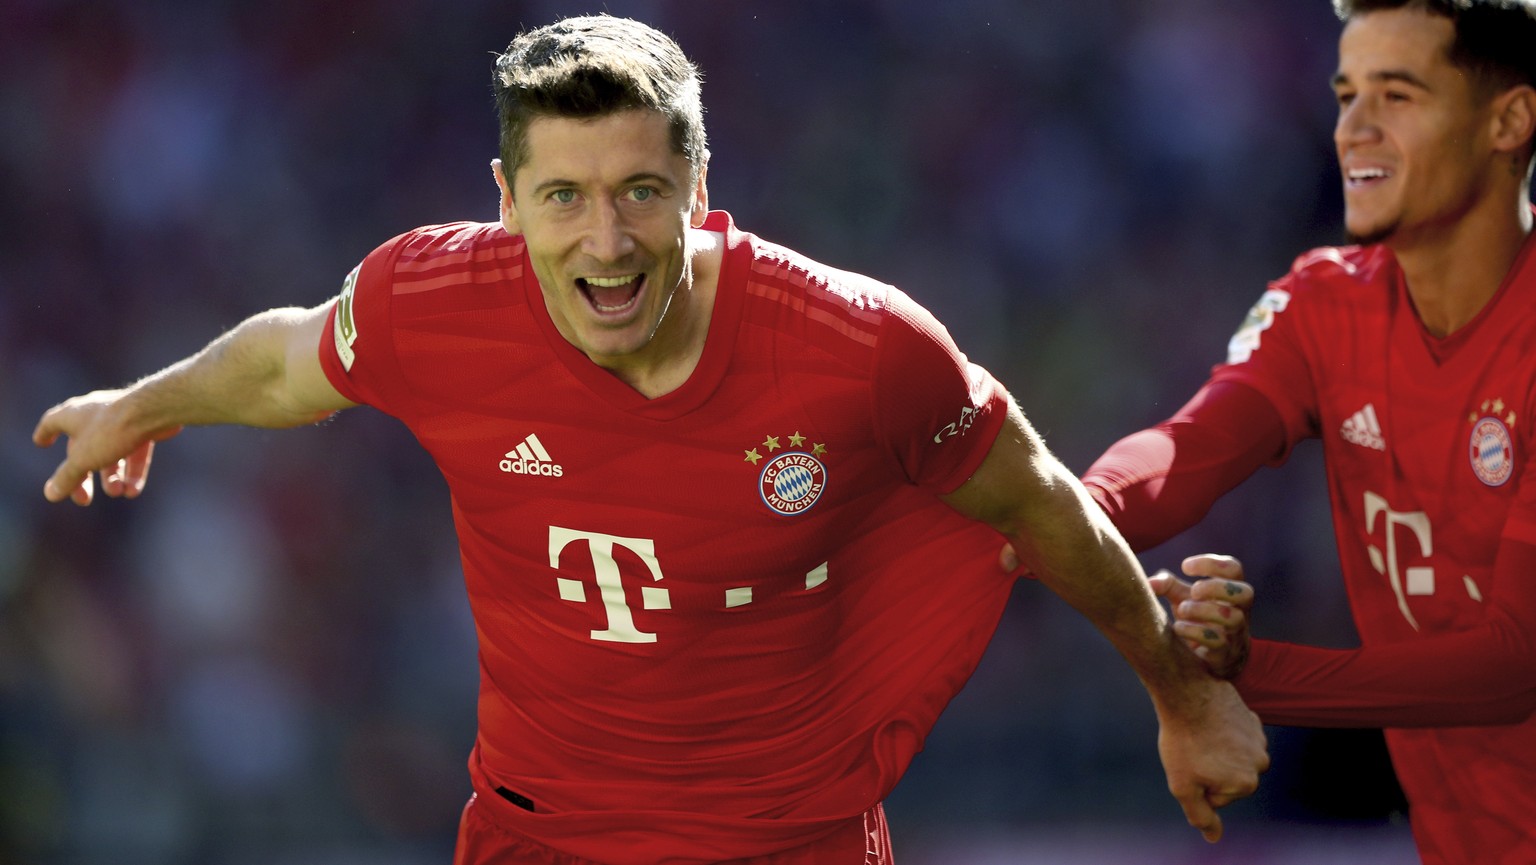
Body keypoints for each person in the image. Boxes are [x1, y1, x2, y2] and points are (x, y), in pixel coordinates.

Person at [31, 14, 1267, 865]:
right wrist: (136, 407)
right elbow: (287, 358)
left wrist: (1176, 692)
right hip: (538, 834)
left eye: (640, 192)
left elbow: (1036, 499)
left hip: (791, 843)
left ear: (699, 185)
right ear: (506, 202)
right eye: (563, 196)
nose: (607, 243)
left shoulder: (858, 347)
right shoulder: (431, 298)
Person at [1001, 1, 1536, 862]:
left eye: (1397, 97)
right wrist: (1063, 514)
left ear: (1508, 121)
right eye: (1346, 95)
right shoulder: (1325, 300)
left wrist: (1256, 672)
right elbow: (1191, 448)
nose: (1355, 130)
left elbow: (1511, 664)